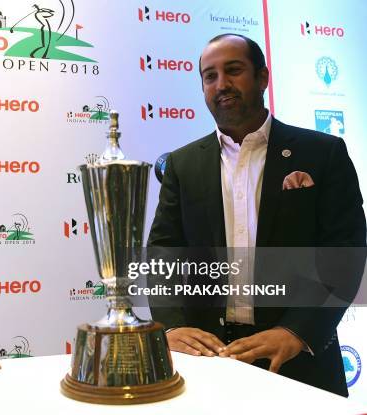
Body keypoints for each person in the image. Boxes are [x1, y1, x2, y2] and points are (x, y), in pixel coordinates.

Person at [148, 33, 365, 396]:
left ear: (262, 78)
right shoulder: (183, 164)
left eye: (233, 70)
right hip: (207, 358)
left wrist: (298, 331)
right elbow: (164, 251)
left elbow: (345, 251)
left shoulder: (322, 153)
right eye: (210, 76)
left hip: (298, 359)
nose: (222, 84)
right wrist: (171, 326)